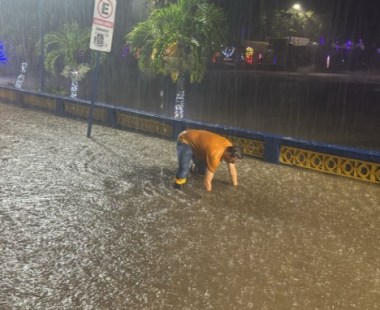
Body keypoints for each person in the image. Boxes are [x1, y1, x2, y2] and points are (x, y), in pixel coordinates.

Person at [174, 129, 242, 192]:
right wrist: (208, 197)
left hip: (198, 146)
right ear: (228, 154)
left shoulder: (230, 146)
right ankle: (176, 187)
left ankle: (193, 167)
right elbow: (207, 182)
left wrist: (235, 186)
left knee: (203, 171)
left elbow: (232, 169)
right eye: (233, 161)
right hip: (185, 140)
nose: (233, 162)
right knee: (183, 170)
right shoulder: (215, 155)